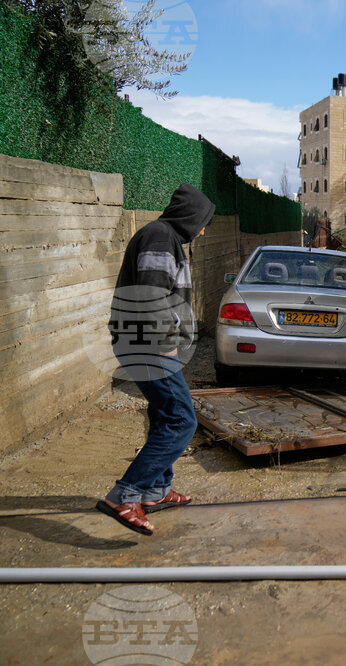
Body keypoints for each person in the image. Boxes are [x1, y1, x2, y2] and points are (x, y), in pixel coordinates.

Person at [96, 184, 215, 536]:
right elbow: (150, 293)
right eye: (204, 221)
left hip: (141, 343)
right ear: (191, 216)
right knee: (182, 420)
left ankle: (155, 490)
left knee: (165, 414)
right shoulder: (161, 239)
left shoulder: (163, 237)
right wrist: (164, 341)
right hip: (146, 345)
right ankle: (125, 494)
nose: (204, 229)